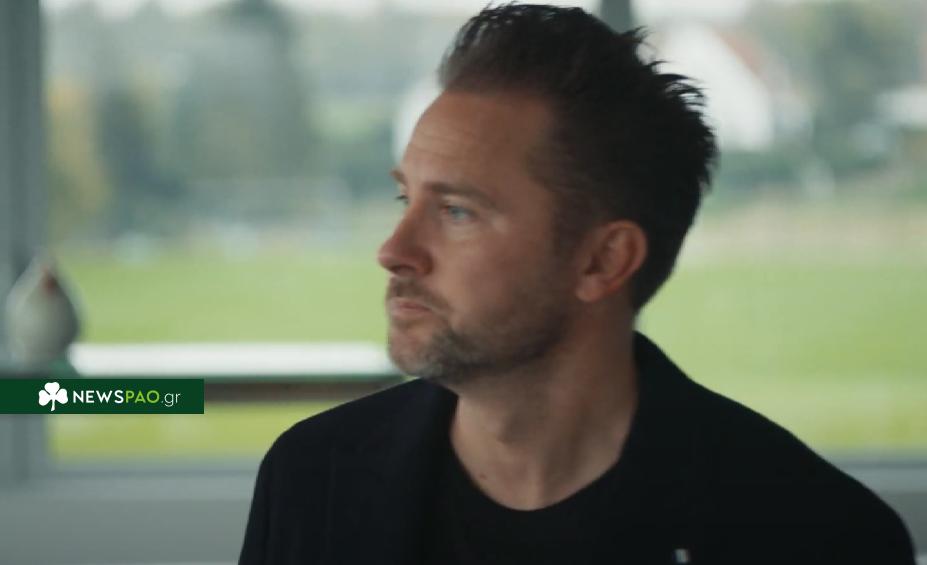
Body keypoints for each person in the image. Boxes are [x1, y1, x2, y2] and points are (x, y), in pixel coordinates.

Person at [239, 4, 915, 564]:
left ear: (602, 261)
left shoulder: (818, 535)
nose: (394, 251)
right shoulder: (312, 478)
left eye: (456, 212)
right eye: (404, 198)